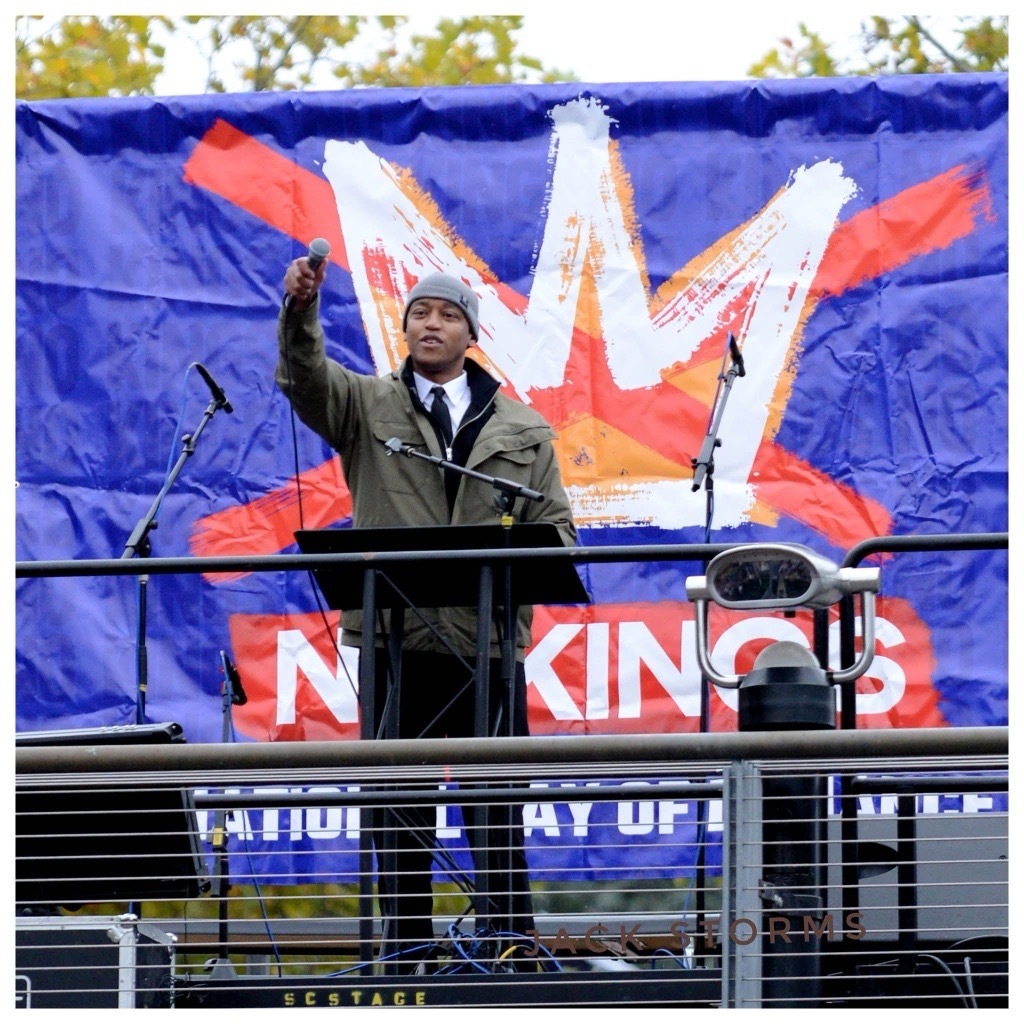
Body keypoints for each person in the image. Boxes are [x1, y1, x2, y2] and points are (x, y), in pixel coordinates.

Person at [276, 255, 577, 972]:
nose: (431, 323)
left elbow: (559, 533)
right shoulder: (366, 405)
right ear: (405, 328)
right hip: (396, 636)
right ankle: (406, 953)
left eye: (447, 314)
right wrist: (300, 311)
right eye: (419, 313)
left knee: (496, 803)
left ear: (472, 334)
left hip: (486, 644)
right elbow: (305, 378)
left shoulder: (524, 427)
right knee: (398, 805)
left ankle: (511, 949)